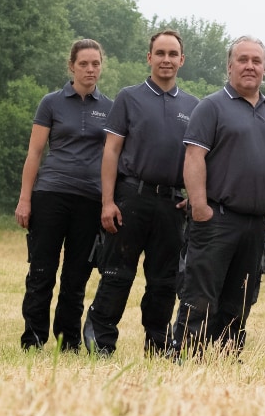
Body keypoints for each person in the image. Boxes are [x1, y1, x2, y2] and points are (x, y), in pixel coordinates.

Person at [169, 36, 265, 355]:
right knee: (200, 291)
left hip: (255, 222)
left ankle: (226, 356)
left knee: (241, 295)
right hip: (215, 217)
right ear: (229, 66)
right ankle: (185, 353)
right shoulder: (211, 106)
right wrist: (199, 205)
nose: (250, 66)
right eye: (243, 60)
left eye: (257, 61)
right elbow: (194, 157)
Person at [82, 30, 199, 355]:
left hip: (172, 205)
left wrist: (196, 194)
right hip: (131, 198)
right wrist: (107, 202)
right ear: (149, 57)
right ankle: (100, 340)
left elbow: (199, 158)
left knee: (164, 282)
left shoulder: (193, 106)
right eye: (159, 53)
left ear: (181, 60)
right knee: (117, 273)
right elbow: (111, 151)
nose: (166, 59)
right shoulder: (129, 97)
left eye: (172, 54)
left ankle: (158, 344)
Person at [14, 38, 112, 352]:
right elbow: (34, 153)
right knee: (42, 269)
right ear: (71, 66)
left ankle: (67, 341)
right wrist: (24, 199)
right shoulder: (51, 103)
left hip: (90, 200)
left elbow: (115, 158)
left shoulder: (110, 109)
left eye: (95, 63)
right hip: (50, 194)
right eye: (83, 63)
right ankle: (33, 339)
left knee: (77, 274)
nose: (90, 69)